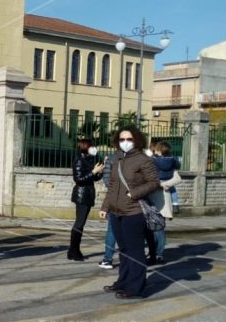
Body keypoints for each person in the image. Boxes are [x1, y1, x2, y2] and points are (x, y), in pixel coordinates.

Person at [99, 125, 160, 299]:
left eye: (129, 139)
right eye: (122, 139)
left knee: (135, 251)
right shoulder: (117, 158)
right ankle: (123, 281)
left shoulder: (143, 159)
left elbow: (153, 182)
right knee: (123, 249)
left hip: (134, 211)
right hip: (116, 212)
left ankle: (136, 287)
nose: (125, 142)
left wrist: (134, 193)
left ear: (136, 140)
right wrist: (105, 207)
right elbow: (112, 187)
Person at [68, 139, 104, 261]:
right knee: (79, 223)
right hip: (81, 195)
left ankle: (72, 250)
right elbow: (78, 179)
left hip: (88, 194)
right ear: (86, 147)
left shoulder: (88, 160)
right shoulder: (79, 160)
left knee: (81, 224)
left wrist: (100, 172)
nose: (94, 148)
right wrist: (93, 171)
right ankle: (74, 251)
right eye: (92, 146)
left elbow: (92, 179)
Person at [98, 153, 116, 270]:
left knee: (112, 230)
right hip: (133, 200)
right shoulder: (140, 157)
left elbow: (108, 181)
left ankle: (108, 259)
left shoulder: (111, 158)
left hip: (115, 199)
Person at [153, 141, 181, 213]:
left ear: (159, 151)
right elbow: (178, 165)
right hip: (169, 179)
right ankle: (175, 204)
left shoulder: (154, 159)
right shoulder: (173, 159)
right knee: (173, 191)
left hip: (159, 179)